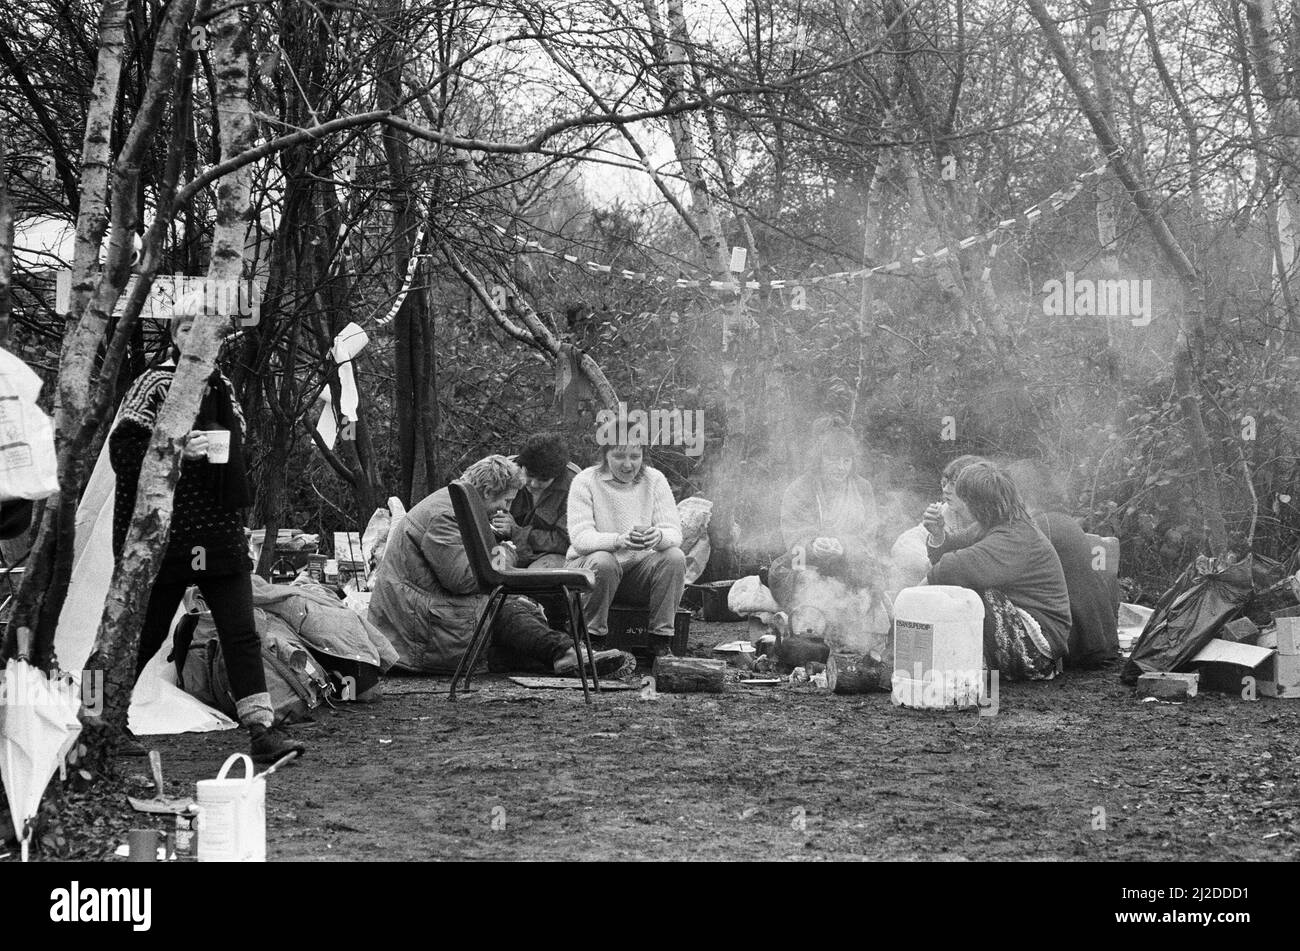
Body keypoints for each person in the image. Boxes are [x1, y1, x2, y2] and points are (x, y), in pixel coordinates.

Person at [110, 308, 305, 766]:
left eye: (210, 334)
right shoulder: (154, 384)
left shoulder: (223, 384)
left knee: (242, 631)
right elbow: (123, 450)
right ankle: (105, 721)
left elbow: (237, 447)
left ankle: (261, 729)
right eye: (187, 330)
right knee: (145, 633)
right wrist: (177, 448)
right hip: (166, 529)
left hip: (217, 527)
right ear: (175, 335)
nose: (199, 341)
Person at [368, 455, 626, 676]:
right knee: (504, 605)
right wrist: (508, 551)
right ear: (489, 491)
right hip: (420, 632)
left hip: (430, 619)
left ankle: (565, 656)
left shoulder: (456, 502)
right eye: (506, 500)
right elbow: (466, 579)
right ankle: (568, 652)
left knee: (514, 621)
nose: (507, 508)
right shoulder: (445, 515)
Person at [922, 462, 1071, 680]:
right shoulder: (997, 524)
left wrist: (909, 600)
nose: (960, 506)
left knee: (976, 591)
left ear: (979, 504)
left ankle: (978, 667)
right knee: (966, 583)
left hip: (1037, 646)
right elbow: (956, 547)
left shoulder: (1016, 536)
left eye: (964, 499)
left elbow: (954, 567)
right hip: (1021, 629)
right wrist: (938, 535)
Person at [566, 437, 685, 657]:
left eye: (635, 456)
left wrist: (657, 536)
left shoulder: (654, 479)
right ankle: (592, 641)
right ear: (605, 455)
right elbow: (580, 538)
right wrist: (618, 540)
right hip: (590, 571)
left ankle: (660, 642)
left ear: (643, 455)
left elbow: (674, 533)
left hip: (635, 574)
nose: (628, 464)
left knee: (674, 556)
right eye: (619, 456)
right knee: (604, 560)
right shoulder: (585, 480)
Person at [768, 418, 885, 640]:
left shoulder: (863, 488)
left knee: (872, 575)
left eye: (846, 461)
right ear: (819, 460)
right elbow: (794, 536)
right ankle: (807, 621)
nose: (840, 468)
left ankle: (852, 629)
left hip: (850, 560)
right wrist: (813, 544)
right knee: (793, 569)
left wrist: (844, 547)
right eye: (833, 460)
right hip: (809, 560)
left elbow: (869, 535)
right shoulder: (800, 488)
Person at [1004, 461, 1120, 668]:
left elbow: (1007, 572)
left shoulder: (1040, 526)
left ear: (1020, 494)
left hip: (1076, 642)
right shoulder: (1059, 520)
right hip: (1097, 638)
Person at [498, 432, 576, 571]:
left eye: (543, 480)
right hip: (505, 547)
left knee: (537, 580)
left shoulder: (575, 486)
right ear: (522, 465)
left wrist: (516, 531)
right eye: (529, 475)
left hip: (548, 556)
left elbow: (566, 541)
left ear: (556, 476)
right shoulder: (504, 470)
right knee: (494, 570)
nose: (533, 484)